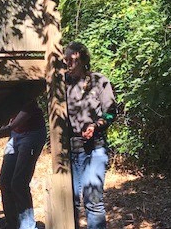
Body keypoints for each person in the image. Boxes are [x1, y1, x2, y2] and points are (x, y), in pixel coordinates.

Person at [65, 41, 117, 229]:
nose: (67, 62)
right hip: (71, 150)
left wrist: (96, 125)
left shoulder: (98, 81)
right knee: (70, 201)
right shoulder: (63, 84)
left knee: (93, 200)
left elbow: (111, 112)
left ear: (81, 56)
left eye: (70, 58)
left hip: (95, 147)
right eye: (65, 59)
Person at [0, 99, 47, 229]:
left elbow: (27, 110)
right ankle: (13, 223)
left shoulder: (25, 88)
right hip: (16, 134)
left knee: (19, 182)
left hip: (32, 134)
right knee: (4, 181)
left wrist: (9, 128)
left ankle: (28, 226)